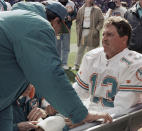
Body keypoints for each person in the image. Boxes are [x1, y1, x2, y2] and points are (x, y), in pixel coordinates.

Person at [0, 1, 112, 131]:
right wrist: (81, 114)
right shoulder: (36, 24)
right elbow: (49, 74)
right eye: (59, 31)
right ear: (56, 21)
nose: (57, 35)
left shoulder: (15, 19)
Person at [72, 16, 142, 127]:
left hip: (112, 120)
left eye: (110, 35)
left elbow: (123, 107)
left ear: (124, 39)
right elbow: (79, 91)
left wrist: (88, 119)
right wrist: (68, 109)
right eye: (103, 34)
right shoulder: (92, 56)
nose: (104, 39)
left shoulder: (137, 63)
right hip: (89, 112)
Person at [72, 0, 104, 71]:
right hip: (83, 32)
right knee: (81, 49)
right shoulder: (81, 9)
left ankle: (91, 66)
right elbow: (77, 21)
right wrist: (78, 29)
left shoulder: (97, 9)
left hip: (92, 32)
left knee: (91, 50)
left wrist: (96, 30)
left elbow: (101, 20)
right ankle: (76, 65)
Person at [56, 0, 77, 70]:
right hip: (57, 28)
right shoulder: (55, 2)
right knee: (57, 45)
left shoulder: (71, 3)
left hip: (67, 28)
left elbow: (75, 14)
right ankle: (58, 63)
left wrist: (71, 18)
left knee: (66, 46)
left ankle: (64, 63)